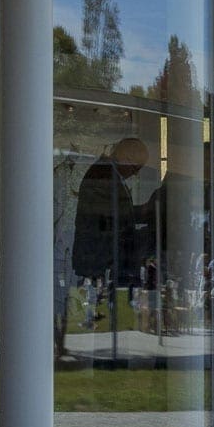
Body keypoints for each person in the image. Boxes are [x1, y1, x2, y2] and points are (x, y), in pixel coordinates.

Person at [71, 137, 151, 324]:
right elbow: (112, 220)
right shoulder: (103, 176)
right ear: (126, 158)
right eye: (135, 169)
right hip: (99, 258)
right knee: (99, 313)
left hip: (100, 258)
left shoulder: (105, 173)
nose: (135, 174)